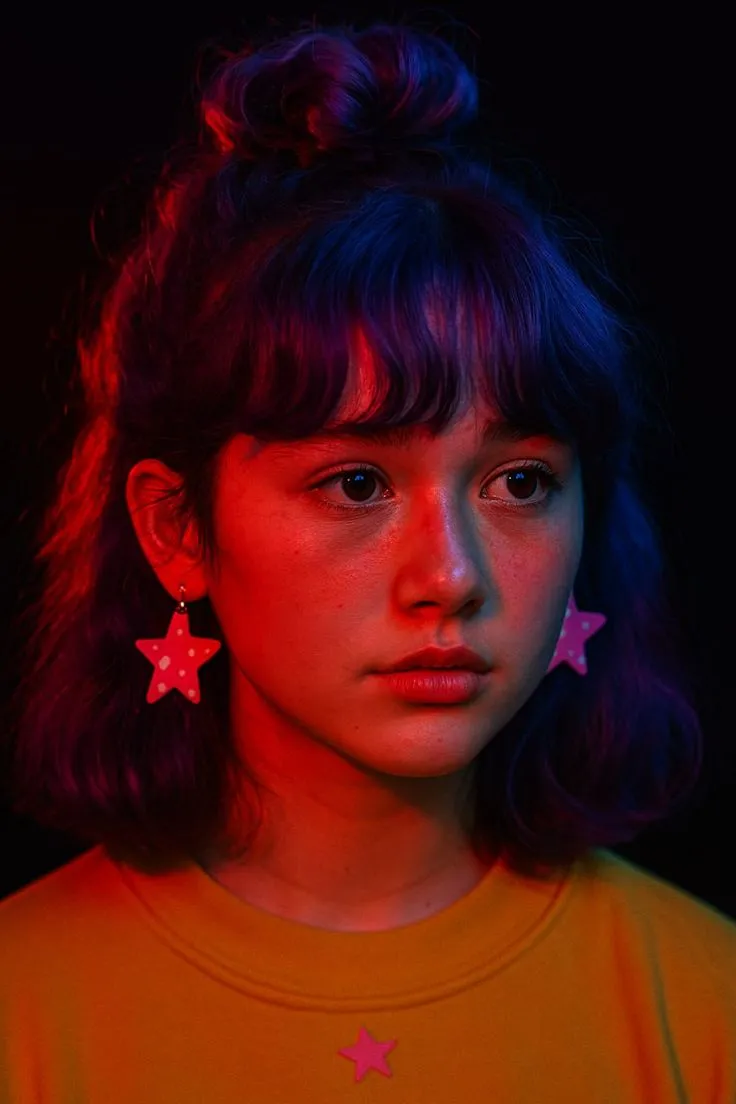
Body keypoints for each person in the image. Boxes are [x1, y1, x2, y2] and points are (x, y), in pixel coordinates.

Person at [1, 17, 734, 1103]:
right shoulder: (22, 1006)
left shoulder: (704, 1004)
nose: (451, 576)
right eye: (356, 483)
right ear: (176, 530)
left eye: (519, 482)